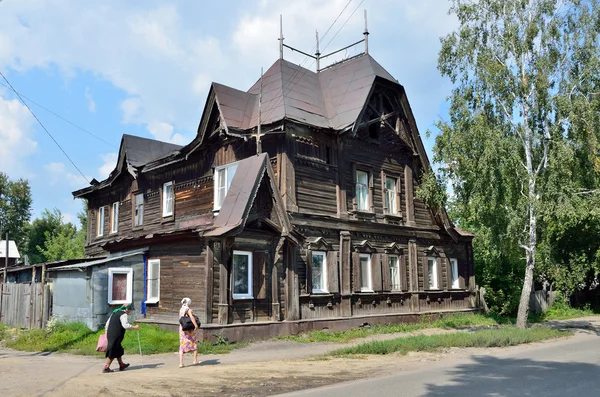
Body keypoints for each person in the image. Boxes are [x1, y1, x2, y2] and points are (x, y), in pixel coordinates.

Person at [103, 303, 139, 373]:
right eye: (130, 310)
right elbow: (125, 325)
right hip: (116, 335)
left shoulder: (114, 312)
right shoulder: (123, 314)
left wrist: (106, 333)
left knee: (118, 349)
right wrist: (134, 327)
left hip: (110, 334)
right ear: (127, 309)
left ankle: (121, 364)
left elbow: (107, 324)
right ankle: (106, 367)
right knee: (113, 350)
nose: (130, 312)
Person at [178, 297, 199, 368]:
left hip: (182, 329)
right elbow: (191, 317)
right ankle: (195, 360)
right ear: (188, 303)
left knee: (182, 344)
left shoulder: (181, 309)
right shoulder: (187, 309)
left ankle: (181, 363)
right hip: (189, 329)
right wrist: (195, 325)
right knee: (194, 343)